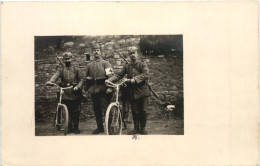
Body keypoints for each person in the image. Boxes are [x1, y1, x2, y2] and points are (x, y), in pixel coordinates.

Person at [106, 48, 150, 135]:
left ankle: (143, 128)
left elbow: (146, 74)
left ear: (137, 54)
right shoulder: (127, 66)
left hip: (143, 91)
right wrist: (110, 80)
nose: (132, 55)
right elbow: (119, 75)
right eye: (130, 54)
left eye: (133, 53)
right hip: (133, 92)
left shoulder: (142, 64)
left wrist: (135, 79)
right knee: (135, 111)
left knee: (143, 110)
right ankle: (136, 128)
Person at [46, 52, 84, 134]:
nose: (67, 60)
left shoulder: (76, 69)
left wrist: (78, 86)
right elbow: (56, 75)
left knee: (76, 111)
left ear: (72, 58)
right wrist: (51, 81)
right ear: (63, 60)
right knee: (68, 111)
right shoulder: (61, 69)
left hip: (75, 92)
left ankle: (76, 128)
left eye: (69, 58)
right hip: (65, 93)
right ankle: (69, 127)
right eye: (66, 59)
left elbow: (82, 79)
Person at [85, 44, 114, 134]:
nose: (96, 52)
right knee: (96, 109)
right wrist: (86, 88)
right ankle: (99, 127)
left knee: (106, 109)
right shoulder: (89, 65)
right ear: (92, 52)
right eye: (94, 50)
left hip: (104, 90)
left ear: (101, 52)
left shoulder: (106, 63)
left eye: (98, 50)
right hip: (94, 90)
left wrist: (109, 87)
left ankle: (109, 128)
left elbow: (111, 76)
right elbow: (86, 77)